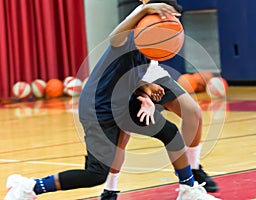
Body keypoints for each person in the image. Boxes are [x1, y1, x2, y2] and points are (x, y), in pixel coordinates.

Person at [4, 1, 220, 200]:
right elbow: (114, 37)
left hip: (124, 102)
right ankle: (30, 186)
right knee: (95, 174)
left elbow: (129, 74)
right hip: (98, 108)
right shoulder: (129, 38)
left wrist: (145, 90)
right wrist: (144, 10)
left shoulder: (149, 48)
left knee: (170, 133)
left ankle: (188, 190)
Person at [100, 60, 219, 200]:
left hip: (154, 74)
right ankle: (110, 190)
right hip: (130, 79)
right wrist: (144, 95)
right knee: (123, 135)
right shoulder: (125, 43)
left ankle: (193, 170)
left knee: (193, 112)